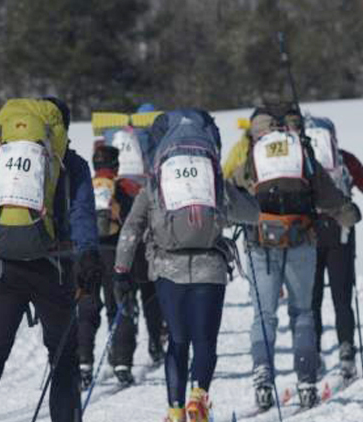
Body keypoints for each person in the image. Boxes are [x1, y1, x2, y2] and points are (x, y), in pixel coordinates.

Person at [0, 97, 98, 422]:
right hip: (54, 270)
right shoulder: (71, 165)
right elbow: (83, 216)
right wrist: (88, 258)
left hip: (1, 270)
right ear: (61, 131)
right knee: (63, 358)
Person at [113, 109, 260, 422]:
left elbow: (131, 229)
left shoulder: (154, 183)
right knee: (206, 341)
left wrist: (121, 271)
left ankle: (175, 411)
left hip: (168, 269)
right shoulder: (212, 179)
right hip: (211, 268)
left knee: (178, 342)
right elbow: (251, 214)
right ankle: (198, 398)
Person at [226, 105, 362, 410]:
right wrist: (347, 214)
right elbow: (326, 195)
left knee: (264, 314)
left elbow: (231, 193)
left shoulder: (252, 156)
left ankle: (262, 374)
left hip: (261, 242)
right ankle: (306, 379)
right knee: (302, 312)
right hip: (301, 238)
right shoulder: (301, 153)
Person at [75, 136, 162, 390]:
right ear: (116, 165)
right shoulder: (125, 187)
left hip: (87, 254)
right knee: (121, 306)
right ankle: (122, 363)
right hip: (116, 254)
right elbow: (137, 219)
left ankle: (83, 362)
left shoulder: (85, 187)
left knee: (88, 308)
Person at [304, 116, 363, 380]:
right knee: (342, 297)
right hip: (342, 231)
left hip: (309, 232)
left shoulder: (301, 161)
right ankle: (346, 352)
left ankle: (313, 353)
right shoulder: (345, 159)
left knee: (311, 299)